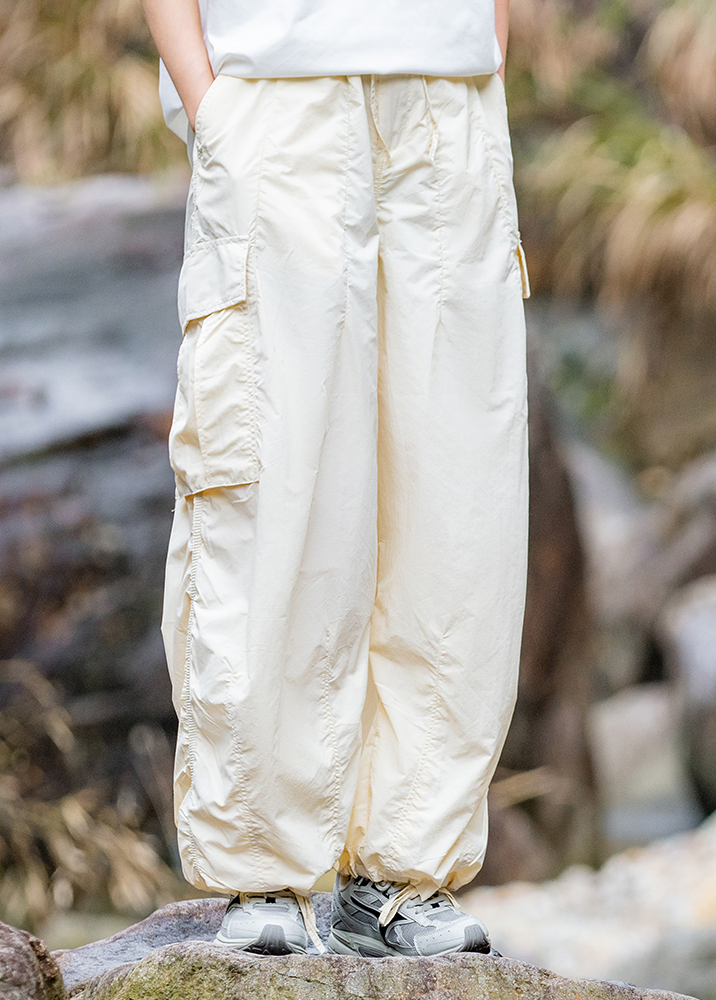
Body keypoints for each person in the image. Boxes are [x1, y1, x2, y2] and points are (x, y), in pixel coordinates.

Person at [141, 0, 531, 958]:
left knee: (460, 495)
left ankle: (403, 877)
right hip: (280, 98)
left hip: (449, 97)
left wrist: (489, 45)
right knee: (275, 481)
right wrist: (210, 103)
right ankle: (262, 873)